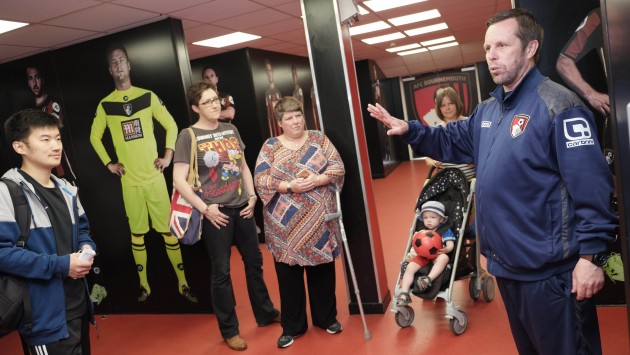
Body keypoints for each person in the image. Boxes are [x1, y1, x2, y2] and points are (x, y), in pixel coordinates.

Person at [367, 8, 617, 354]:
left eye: (501, 45)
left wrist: (591, 259)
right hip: (507, 269)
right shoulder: (489, 110)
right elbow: (451, 140)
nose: (491, 55)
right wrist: (411, 130)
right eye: (487, 48)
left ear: (530, 48)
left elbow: (593, 188)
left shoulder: (559, 106)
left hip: (551, 275)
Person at [172, 81, 279, 351]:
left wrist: (253, 196)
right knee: (221, 272)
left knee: (254, 262)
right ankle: (230, 330)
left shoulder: (230, 129)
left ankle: (265, 313)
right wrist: (205, 208)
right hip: (215, 213)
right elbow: (178, 180)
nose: (214, 105)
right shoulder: (188, 135)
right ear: (196, 107)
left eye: (216, 99)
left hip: (242, 207)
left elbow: (242, 165)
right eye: (207, 102)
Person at [90, 43, 196, 303]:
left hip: (154, 179)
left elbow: (171, 124)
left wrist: (168, 155)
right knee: (137, 234)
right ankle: (144, 286)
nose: (118, 66)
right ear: (109, 70)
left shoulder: (147, 96)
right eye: (113, 63)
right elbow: (94, 137)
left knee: (167, 232)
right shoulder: (105, 105)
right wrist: (108, 163)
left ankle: (183, 284)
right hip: (130, 182)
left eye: (121, 61)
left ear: (129, 65)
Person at [0, 109, 96, 354]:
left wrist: (87, 247)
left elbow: (83, 231)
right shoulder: (7, 191)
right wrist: (62, 265)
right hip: (43, 316)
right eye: (45, 139)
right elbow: (3, 254)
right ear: (20, 146)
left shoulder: (67, 189)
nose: (56, 146)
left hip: (78, 307)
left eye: (58, 138)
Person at [254, 96, 345, 348]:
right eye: (289, 118)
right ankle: (292, 326)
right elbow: (261, 180)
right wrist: (288, 186)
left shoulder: (318, 139)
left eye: (298, 115)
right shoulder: (270, 146)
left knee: (322, 271)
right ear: (279, 122)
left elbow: (338, 167)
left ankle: (327, 319)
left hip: (319, 220)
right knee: (288, 277)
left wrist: (318, 179)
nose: (295, 121)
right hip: (284, 227)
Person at [396, 201, 455, 306]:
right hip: (422, 256)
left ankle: (428, 279)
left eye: (433, 217)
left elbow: (450, 244)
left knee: (444, 258)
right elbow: (415, 245)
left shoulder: (445, 230)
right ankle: (404, 293)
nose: (428, 221)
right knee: (409, 267)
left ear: (441, 219)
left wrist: (447, 249)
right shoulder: (421, 232)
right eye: (426, 217)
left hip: (436, 256)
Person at [26, 66, 77, 182]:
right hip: (43, 169)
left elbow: (50, 133)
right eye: (30, 79)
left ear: (42, 80)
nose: (34, 83)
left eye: (37, 77)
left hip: (61, 166)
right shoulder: (30, 110)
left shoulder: (53, 104)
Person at [424, 87, 475, 180]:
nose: (447, 108)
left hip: (472, 180)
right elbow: (428, 159)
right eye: (443, 105)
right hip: (447, 184)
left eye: (451, 103)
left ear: (457, 103)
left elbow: (483, 150)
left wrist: (476, 159)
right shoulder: (436, 130)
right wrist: (434, 161)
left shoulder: (470, 123)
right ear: (439, 109)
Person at [264, 58, 282, 137]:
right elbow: (268, 115)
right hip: (273, 127)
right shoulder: (266, 92)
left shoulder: (278, 89)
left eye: (270, 70)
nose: (269, 73)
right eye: (267, 71)